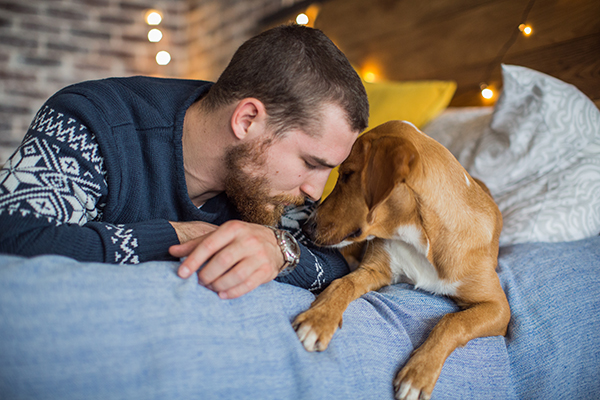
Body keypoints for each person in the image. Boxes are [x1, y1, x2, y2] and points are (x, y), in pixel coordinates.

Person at [0, 24, 369, 299]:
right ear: (247, 120)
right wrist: (181, 236)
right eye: (311, 162)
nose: (314, 191)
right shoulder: (93, 119)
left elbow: (338, 265)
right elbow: (15, 236)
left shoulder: (273, 190)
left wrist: (280, 249)